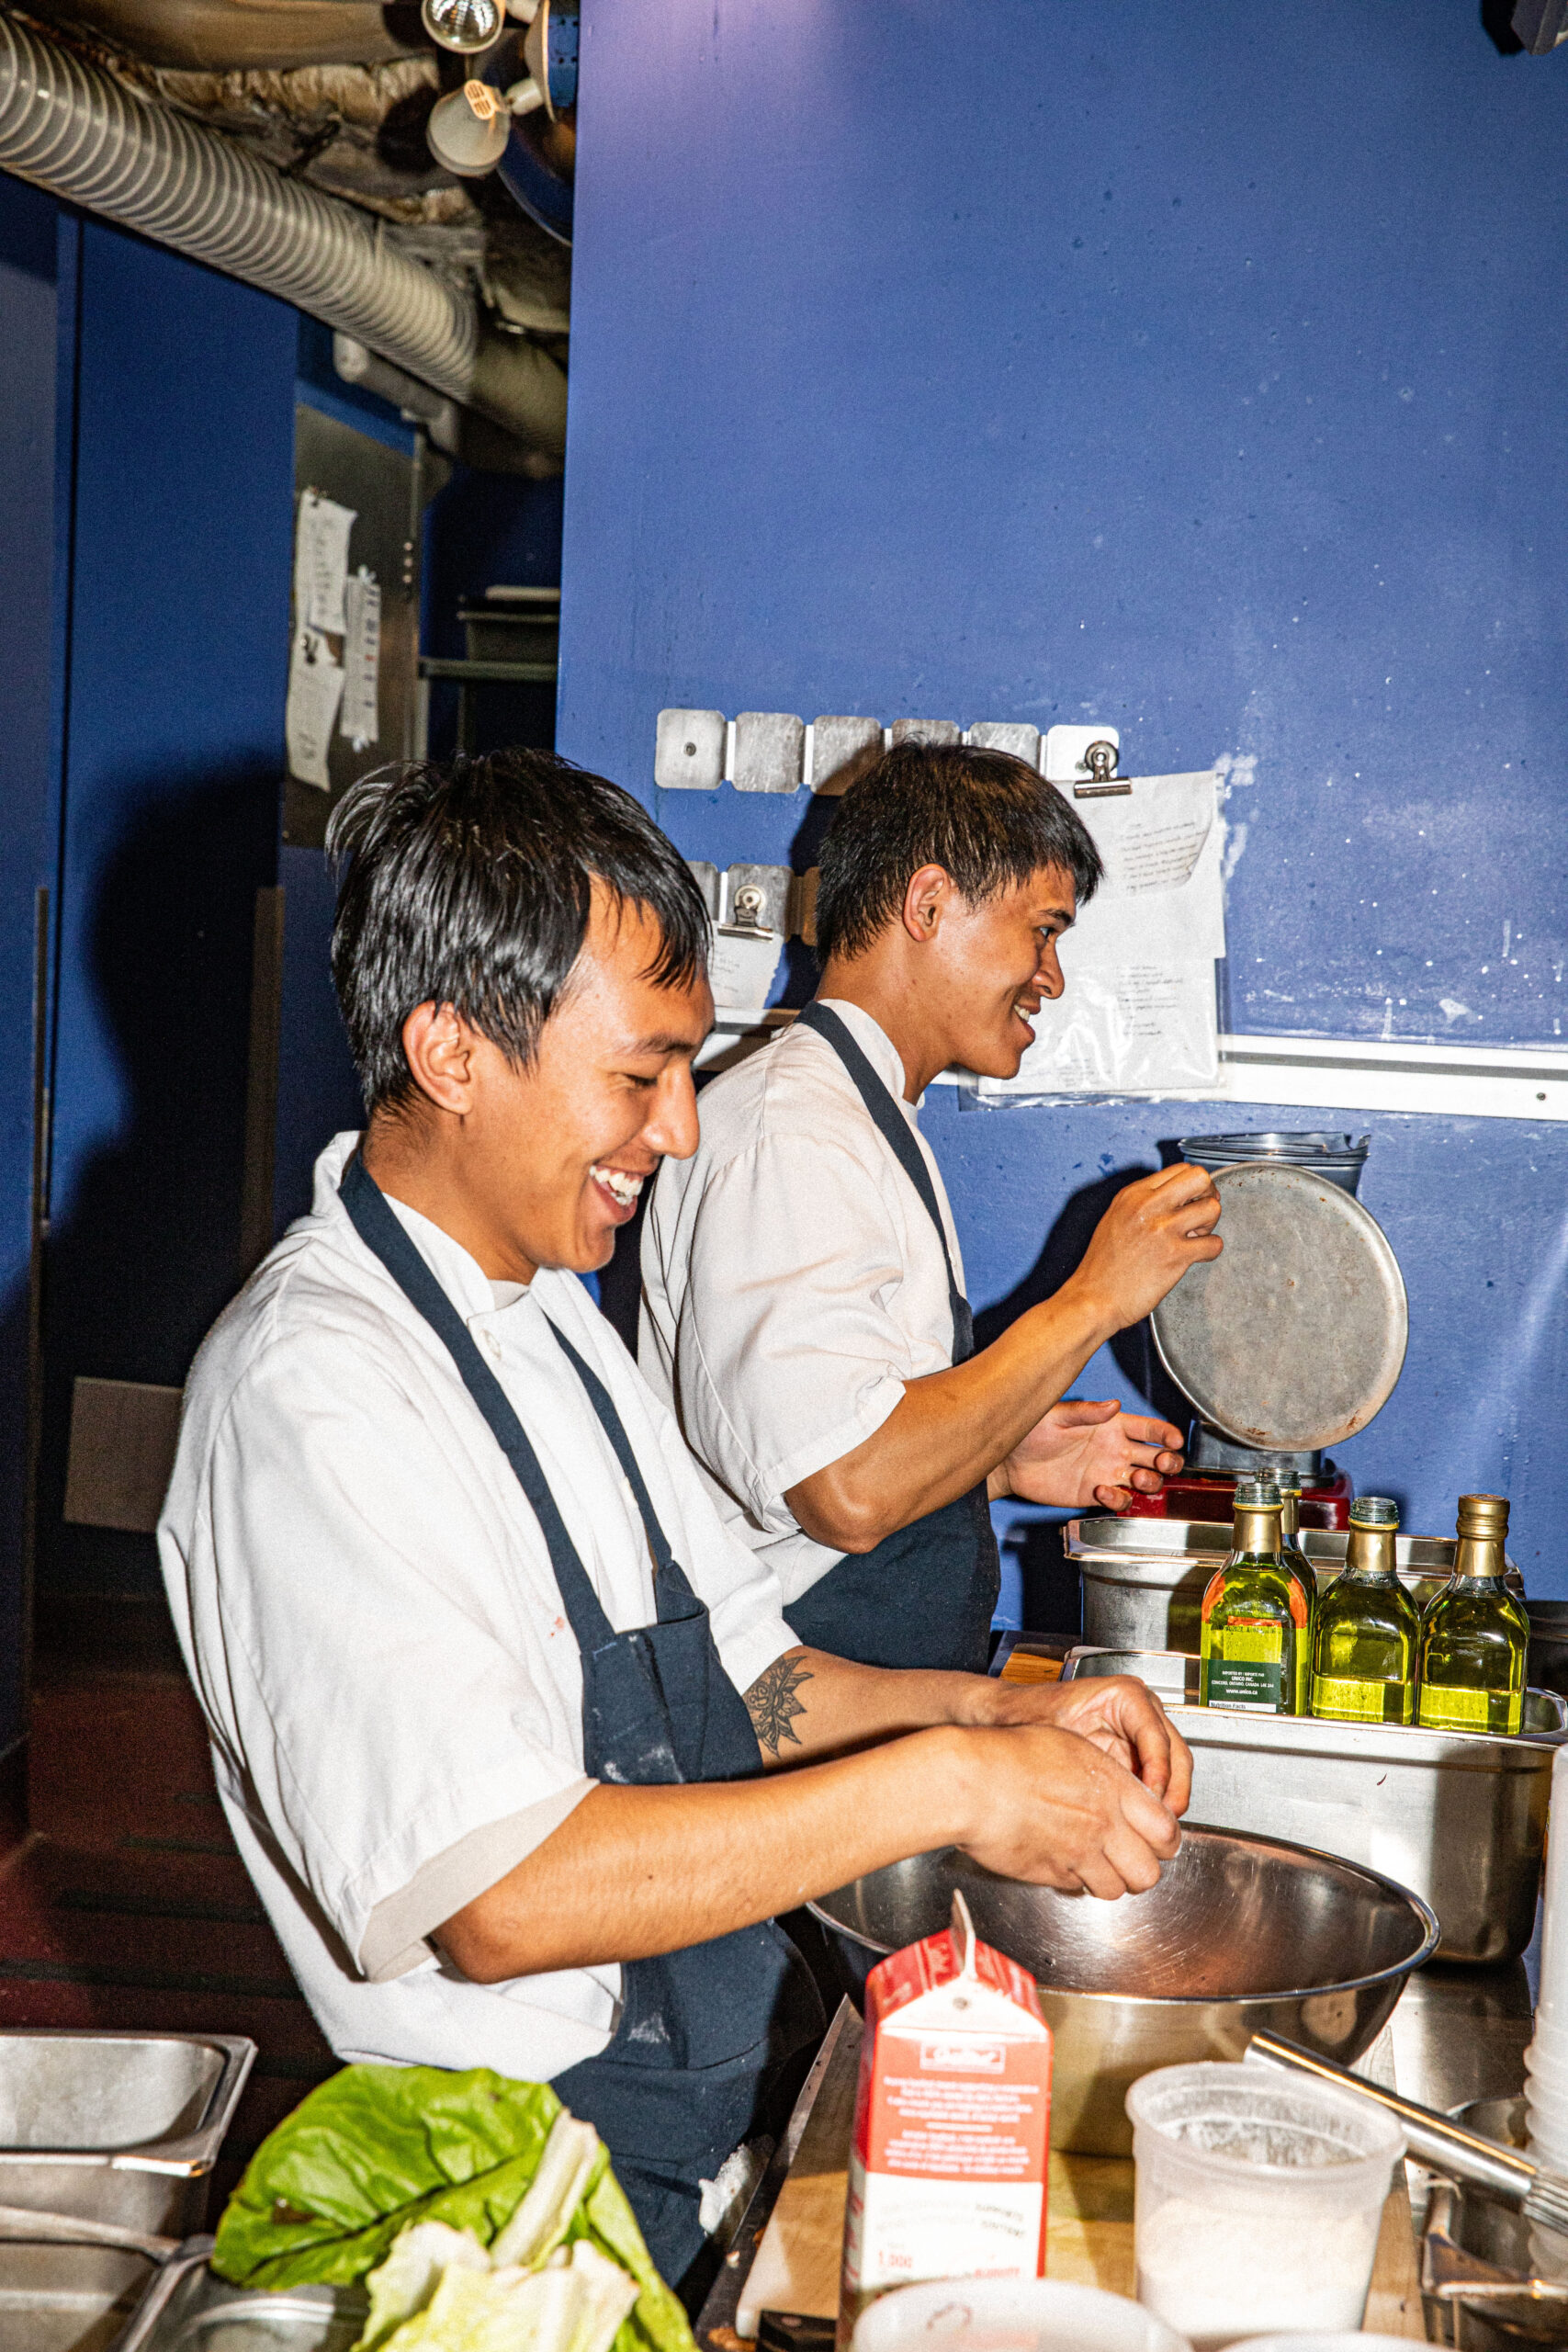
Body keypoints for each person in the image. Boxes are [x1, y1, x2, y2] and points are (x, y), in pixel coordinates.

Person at [159, 750, 1191, 2301]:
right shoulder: (311, 1394)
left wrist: (1005, 1704)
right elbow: (506, 1899)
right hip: (504, 2199)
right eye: (639, 1076)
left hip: (674, 2140)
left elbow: (753, 1684)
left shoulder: (547, 1319)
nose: (680, 1131)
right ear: (452, 1052)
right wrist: (954, 1781)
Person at [640, 741, 1224, 1675]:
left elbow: (842, 1445)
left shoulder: (861, 1115)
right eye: (1042, 930)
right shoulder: (792, 1129)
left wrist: (992, 1465)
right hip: (783, 1736)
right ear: (928, 904)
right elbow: (846, 1490)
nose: (1053, 975)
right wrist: (1090, 1303)